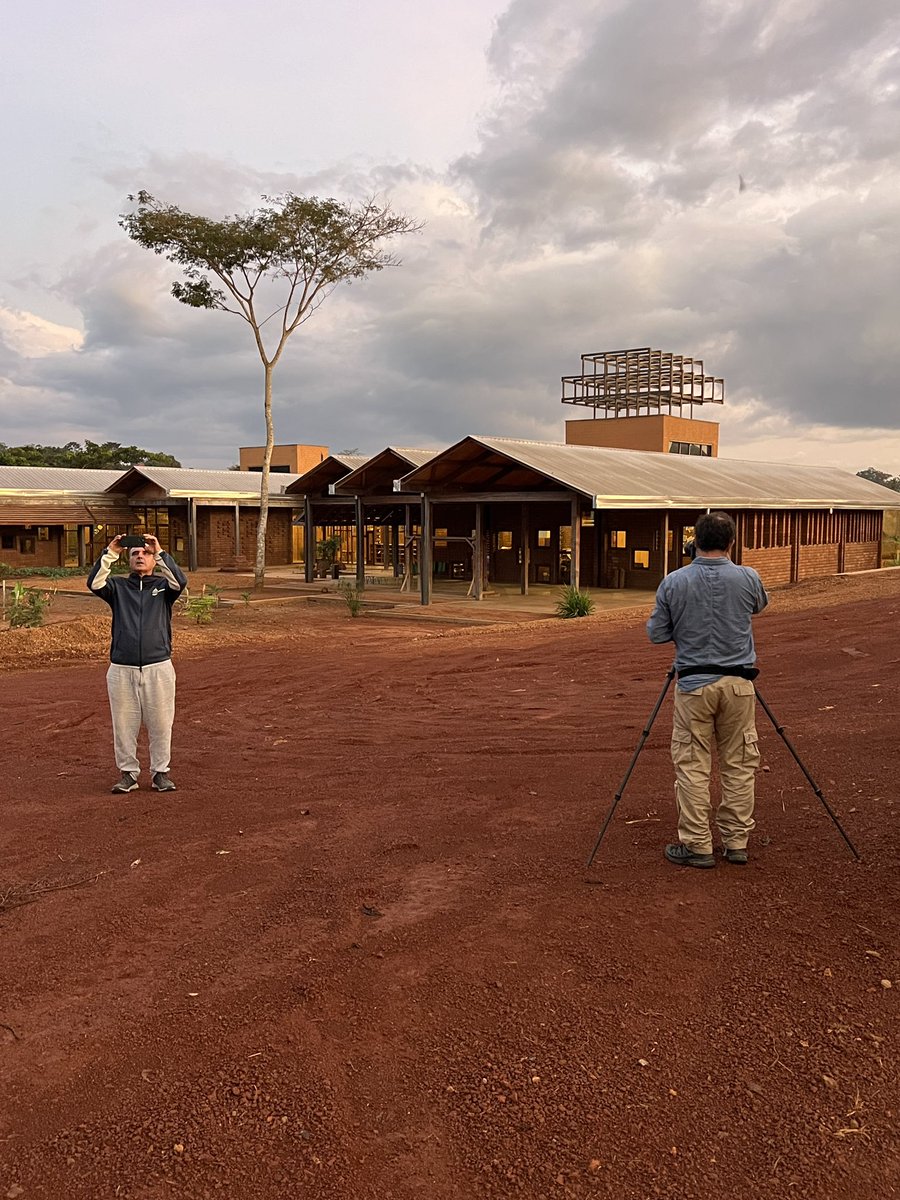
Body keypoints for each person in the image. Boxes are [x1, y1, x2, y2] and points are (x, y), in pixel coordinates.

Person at [646, 511, 768, 868]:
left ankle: (697, 845)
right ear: (731, 542)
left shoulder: (674, 581)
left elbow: (656, 634)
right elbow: (760, 604)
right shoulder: (748, 577)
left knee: (692, 765)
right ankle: (736, 842)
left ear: (694, 541)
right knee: (740, 764)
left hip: (694, 685)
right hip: (739, 684)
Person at [87, 533, 188, 794]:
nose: (140, 556)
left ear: (153, 559)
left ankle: (160, 773)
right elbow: (95, 582)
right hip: (122, 668)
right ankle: (128, 774)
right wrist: (111, 551)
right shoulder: (118, 588)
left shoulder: (164, 588)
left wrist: (161, 550)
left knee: (161, 722)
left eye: (145, 553)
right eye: (135, 554)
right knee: (123, 724)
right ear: (128, 561)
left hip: (159, 666)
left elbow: (181, 581)